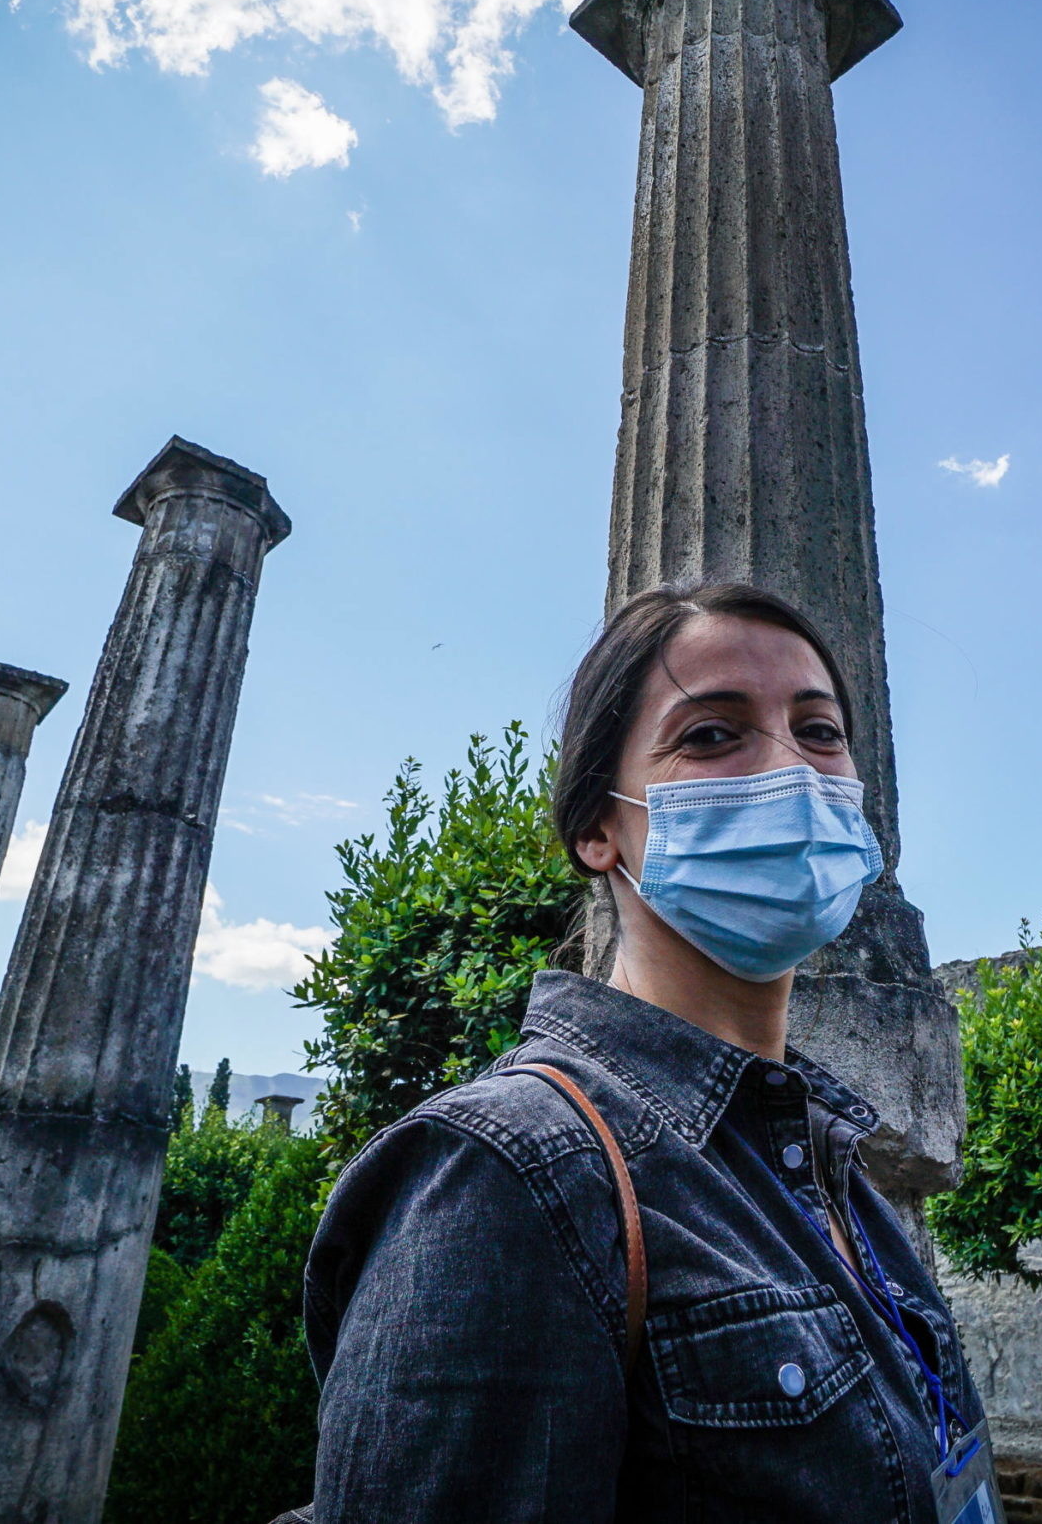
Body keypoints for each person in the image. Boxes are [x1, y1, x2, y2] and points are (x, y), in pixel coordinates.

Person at [302, 582, 994, 1523]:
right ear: (597, 827)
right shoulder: (507, 1171)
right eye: (712, 734)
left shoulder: (829, 1160)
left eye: (821, 730)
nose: (791, 771)